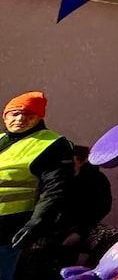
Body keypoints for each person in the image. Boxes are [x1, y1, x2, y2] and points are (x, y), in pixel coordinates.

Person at [0, 92, 73, 280]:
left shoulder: (51, 144)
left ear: (39, 117)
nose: (20, 119)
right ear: (5, 116)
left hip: (8, 229)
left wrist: (36, 223)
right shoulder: (2, 140)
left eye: (28, 115)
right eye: (14, 113)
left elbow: (56, 190)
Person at [59, 146, 118, 269]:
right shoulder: (55, 177)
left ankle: (91, 272)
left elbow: (102, 207)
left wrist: (79, 232)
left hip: (82, 227)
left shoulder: (96, 179)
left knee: (109, 236)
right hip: (52, 228)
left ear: (81, 160)